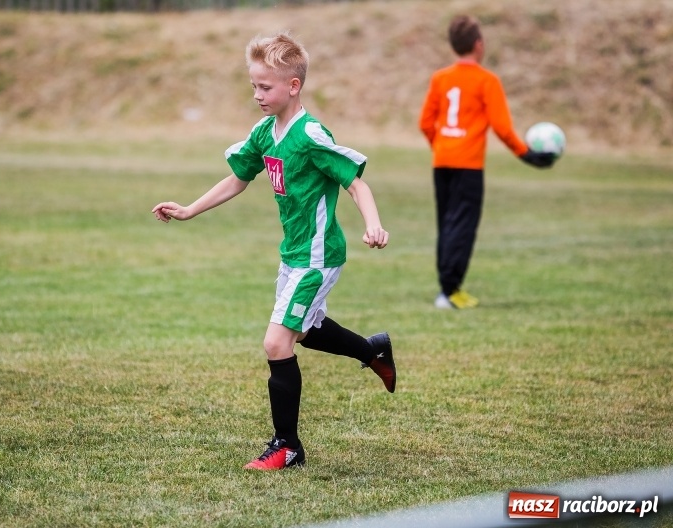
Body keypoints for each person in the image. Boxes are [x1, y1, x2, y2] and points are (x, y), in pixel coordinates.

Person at [152, 32, 396, 471]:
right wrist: (190, 210)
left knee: (277, 341)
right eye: (253, 86)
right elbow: (238, 177)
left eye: (265, 87)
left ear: (293, 86)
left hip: (319, 255)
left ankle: (287, 447)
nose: (257, 95)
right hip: (293, 253)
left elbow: (356, 182)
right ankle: (372, 351)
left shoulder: (311, 134)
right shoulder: (265, 132)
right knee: (305, 331)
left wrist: (374, 225)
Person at [418, 14, 556, 310]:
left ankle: (448, 288)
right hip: (468, 166)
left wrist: (442, 146)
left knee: (447, 224)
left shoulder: (440, 78)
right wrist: (528, 155)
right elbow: (503, 128)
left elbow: (425, 123)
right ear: (479, 44)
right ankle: (449, 292)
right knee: (462, 227)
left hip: (442, 162)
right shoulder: (486, 80)